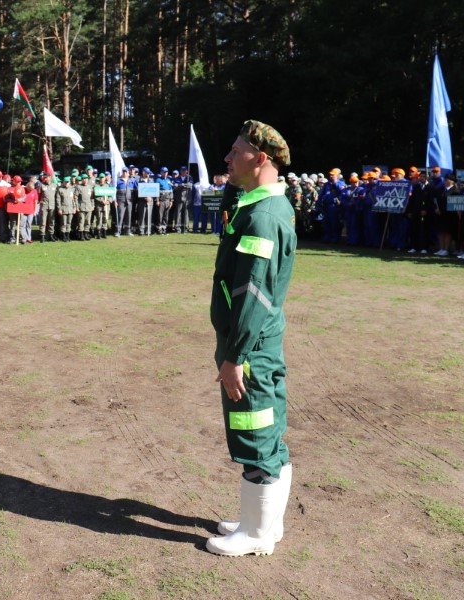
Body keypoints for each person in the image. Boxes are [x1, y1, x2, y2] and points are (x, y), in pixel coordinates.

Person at [206, 120, 296, 557]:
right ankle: (264, 522)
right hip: (258, 343)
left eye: (235, 152)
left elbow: (252, 293)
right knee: (268, 432)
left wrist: (234, 357)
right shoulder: (261, 204)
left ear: (260, 159)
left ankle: (257, 536)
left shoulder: (262, 217)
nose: (226, 158)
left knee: (254, 433)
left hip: (250, 349)